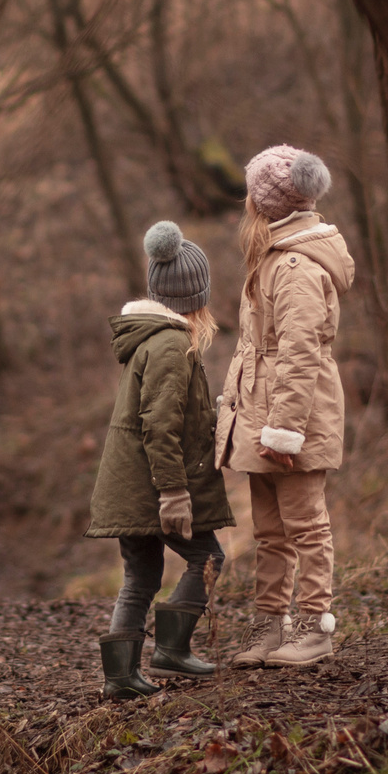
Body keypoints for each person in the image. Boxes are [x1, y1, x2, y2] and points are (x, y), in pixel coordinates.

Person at [217, 145, 357, 667]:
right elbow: (257, 350)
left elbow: (299, 354)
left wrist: (283, 430)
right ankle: (270, 627)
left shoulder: (295, 265)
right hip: (262, 410)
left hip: (291, 416)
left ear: (264, 202)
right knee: (270, 532)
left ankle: (313, 628)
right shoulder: (271, 256)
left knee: (305, 525)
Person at [86, 222, 233, 699]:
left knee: (141, 578)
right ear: (195, 296)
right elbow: (159, 423)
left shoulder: (148, 338)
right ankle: (170, 651)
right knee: (207, 556)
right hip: (153, 487)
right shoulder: (171, 344)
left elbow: (169, 417)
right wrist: (173, 492)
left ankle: (120, 678)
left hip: (131, 484)